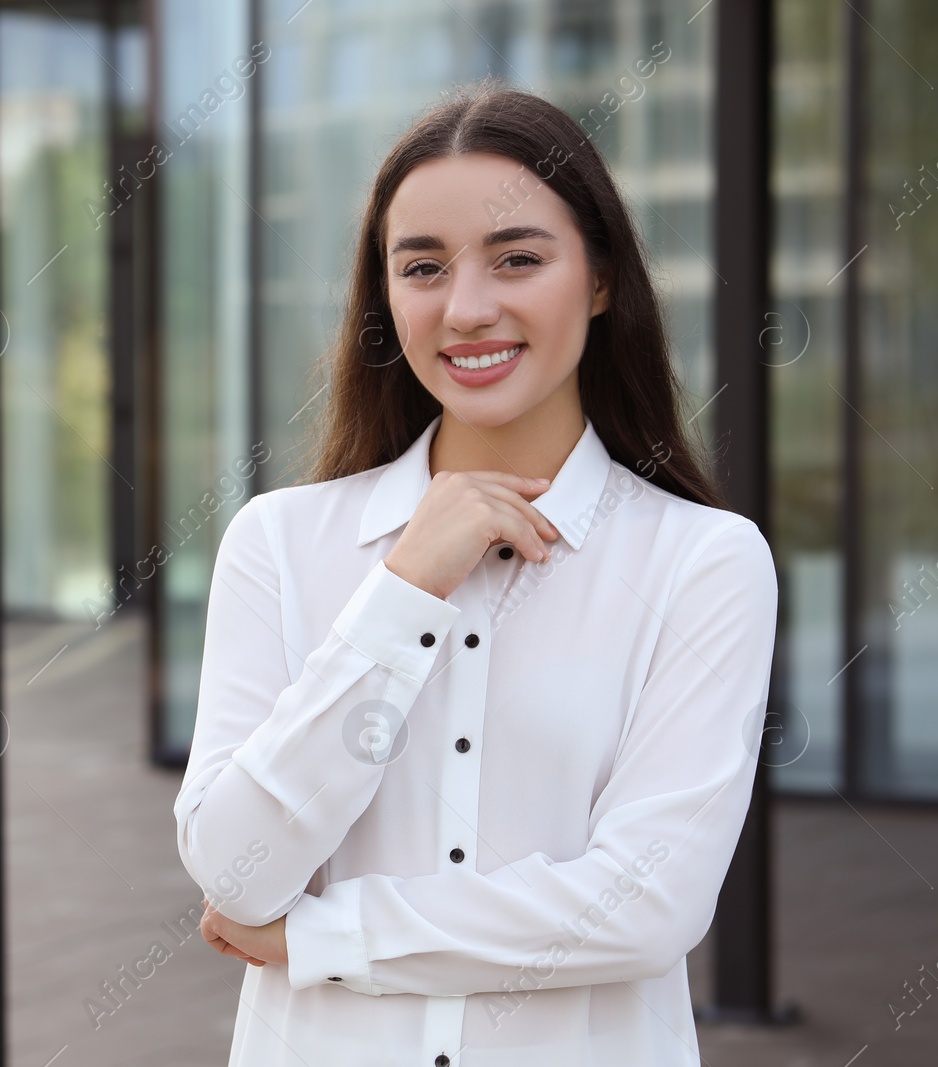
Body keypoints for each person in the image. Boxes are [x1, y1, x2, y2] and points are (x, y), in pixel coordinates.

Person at [172, 78, 779, 1066]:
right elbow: (239, 871)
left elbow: (645, 903)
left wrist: (327, 937)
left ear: (599, 277)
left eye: (517, 258)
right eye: (422, 267)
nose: (466, 307)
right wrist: (403, 587)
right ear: (386, 295)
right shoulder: (279, 542)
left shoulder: (699, 563)